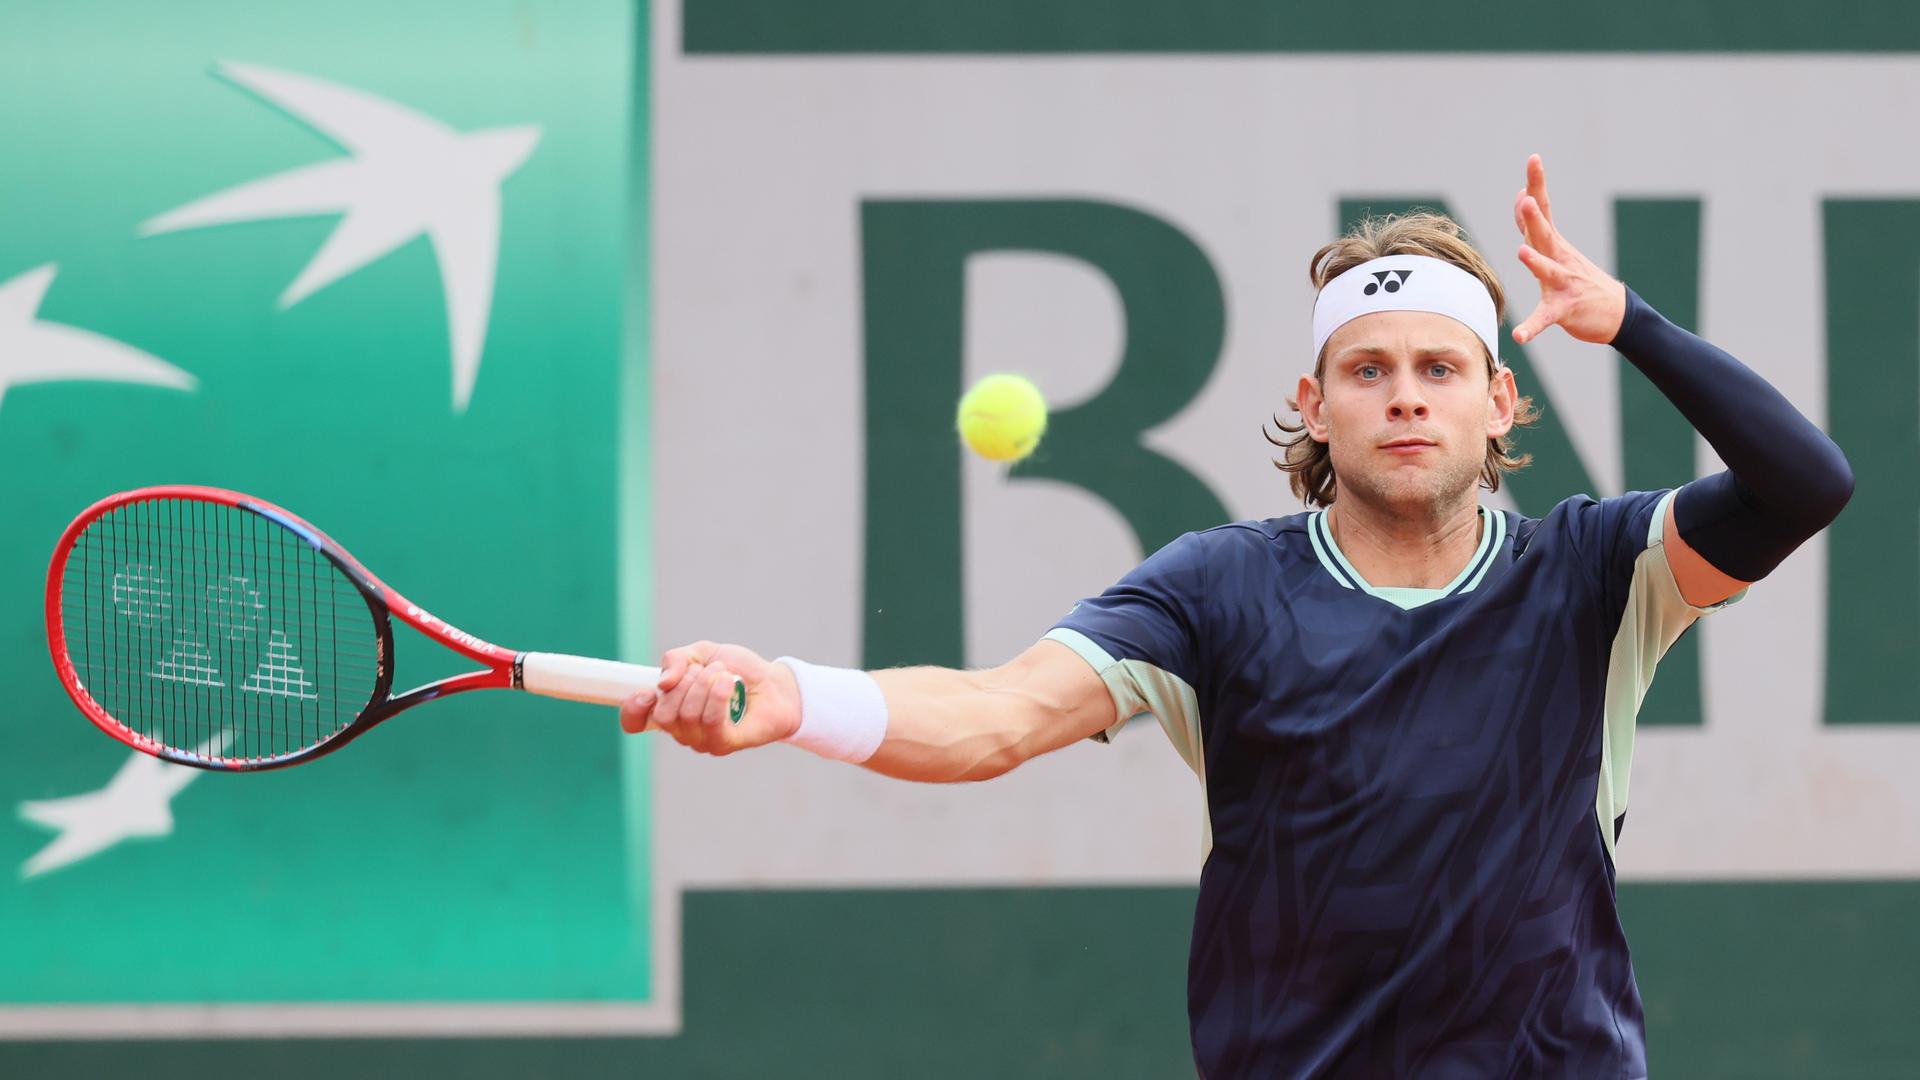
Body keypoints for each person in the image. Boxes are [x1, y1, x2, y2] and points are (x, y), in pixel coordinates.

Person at [619, 155, 1853, 1077]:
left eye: (1440, 371)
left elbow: (1807, 483)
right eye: (1369, 371)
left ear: (1499, 404)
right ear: (1315, 406)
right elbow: (993, 717)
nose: (1405, 400)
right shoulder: (1219, 590)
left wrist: (1631, 321)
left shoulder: (1597, 574)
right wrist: (793, 695)